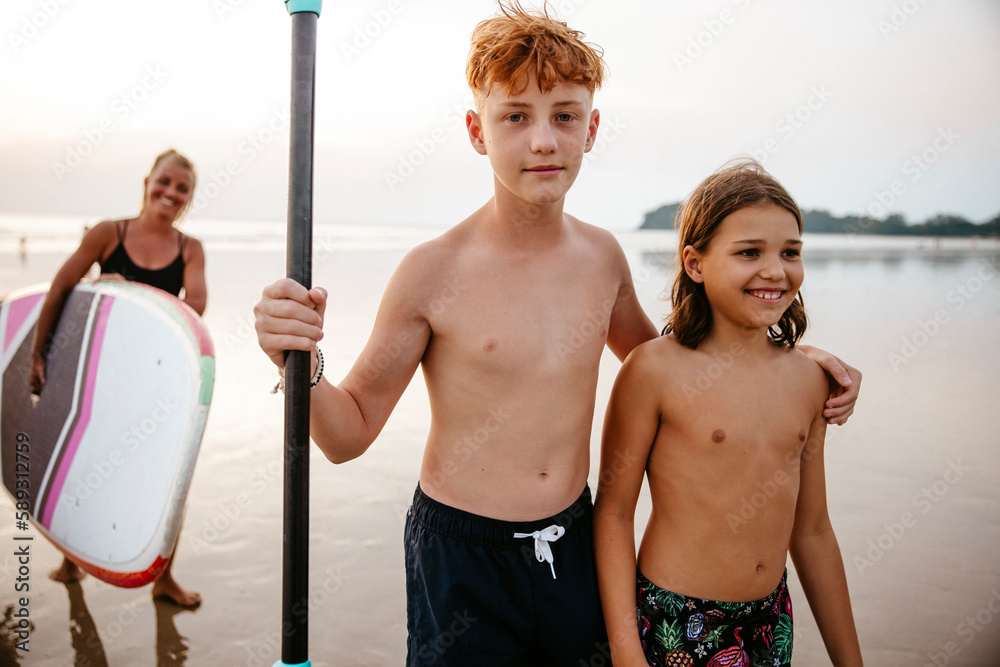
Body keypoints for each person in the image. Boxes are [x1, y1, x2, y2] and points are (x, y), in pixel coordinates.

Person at [253, 3, 860, 664]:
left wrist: (795, 361)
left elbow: (684, 364)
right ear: (476, 131)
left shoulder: (602, 260)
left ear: (592, 128)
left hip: (574, 539)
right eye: (515, 116)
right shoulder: (432, 272)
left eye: (564, 115)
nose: (543, 140)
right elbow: (348, 433)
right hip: (463, 554)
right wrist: (299, 358)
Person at [593, 160, 864, 666]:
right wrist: (626, 651)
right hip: (676, 622)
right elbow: (613, 512)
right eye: (748, 253)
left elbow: (813, 530)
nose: (775, 271)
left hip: (770, 619)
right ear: (695, 264)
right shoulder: (653, 370)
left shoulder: (808, 381)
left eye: (790, 252)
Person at [31, 148, 206, 609]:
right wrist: (38, 353)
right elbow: (60, 287)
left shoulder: (190, 249)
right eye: (164, 182)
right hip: (96, 375)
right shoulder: (110, 233)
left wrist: (128, 292)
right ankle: (72, 559)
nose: (170, 192)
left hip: (155, 383)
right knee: (83, 468)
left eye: (181, 188)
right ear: (147, 180)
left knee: (169, 481)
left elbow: (197, 308)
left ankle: (164, 579)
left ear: (189, 198)